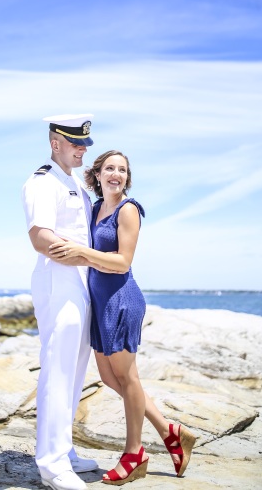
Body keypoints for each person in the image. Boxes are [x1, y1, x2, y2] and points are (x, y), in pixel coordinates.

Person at [49, 150, 196, 485]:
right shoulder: (97, 207)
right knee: (110, 378)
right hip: (99, 303)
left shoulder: (129, 209)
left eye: (122, 170)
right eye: (110, 169)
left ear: (127, 178)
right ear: (97, 174)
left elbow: (123, 262)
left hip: (122, 301)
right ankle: (169, 430)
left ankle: (134, 454)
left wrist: (82, 254)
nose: (116, 174)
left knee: (128, 379)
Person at [22, 114, 101, 490]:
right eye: (76, 143)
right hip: (58, 279)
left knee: (75, 368)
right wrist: (90, 257)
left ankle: (63, 450)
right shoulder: (42, 182)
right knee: (57, 368)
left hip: (80, 280)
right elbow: (42, 239)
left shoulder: (74, 184)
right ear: (56, 144)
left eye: (86, 142)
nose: (84, 148)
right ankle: (51, 465)